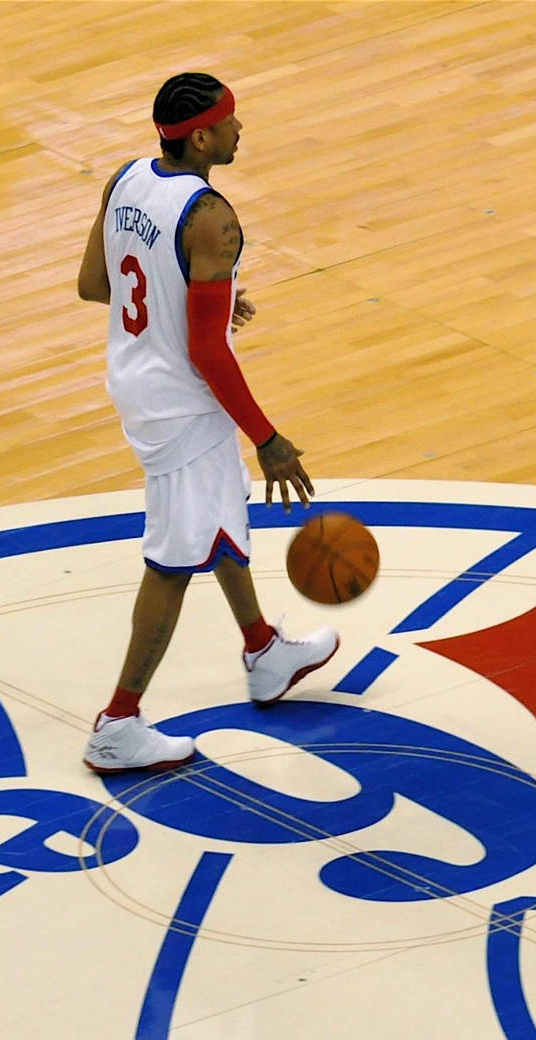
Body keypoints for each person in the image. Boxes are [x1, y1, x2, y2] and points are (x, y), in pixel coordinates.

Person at [75, 71, 339, 774]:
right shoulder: (213, 218)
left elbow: (95, 285)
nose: (239, 129)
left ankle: (263, 652)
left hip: (135, 379)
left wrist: (197, 293)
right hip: (180, 400)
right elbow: (206, 349)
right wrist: (269, 440)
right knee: (171, 560)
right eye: (230, 122)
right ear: (201, 137)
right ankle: (118, 723)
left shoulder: (126, 179)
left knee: (218, 521)